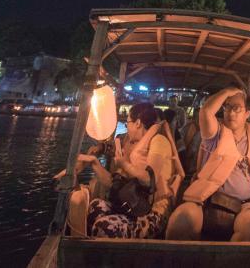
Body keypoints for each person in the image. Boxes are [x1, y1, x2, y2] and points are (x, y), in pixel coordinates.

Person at [165, 87, 250, 242]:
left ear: (247, 114)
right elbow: (206, 112)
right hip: (206, 202)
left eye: (236, 108)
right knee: (182, 219)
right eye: (227, 107)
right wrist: (227, 92)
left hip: (243, 206)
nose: (230, 113)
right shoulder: (215, 132)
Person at [67, 102, 182, 239]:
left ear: (138, 123)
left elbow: (149, 180)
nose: (126, 127)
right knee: (95, 207)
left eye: (128, 123)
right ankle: (87, 247)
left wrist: (124, 164)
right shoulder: (133, 143)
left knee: (104, 226)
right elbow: (113, 153)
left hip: (152, 213)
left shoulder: (159, 142)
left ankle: (99, 251)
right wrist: (95, 158)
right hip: (131, 205)